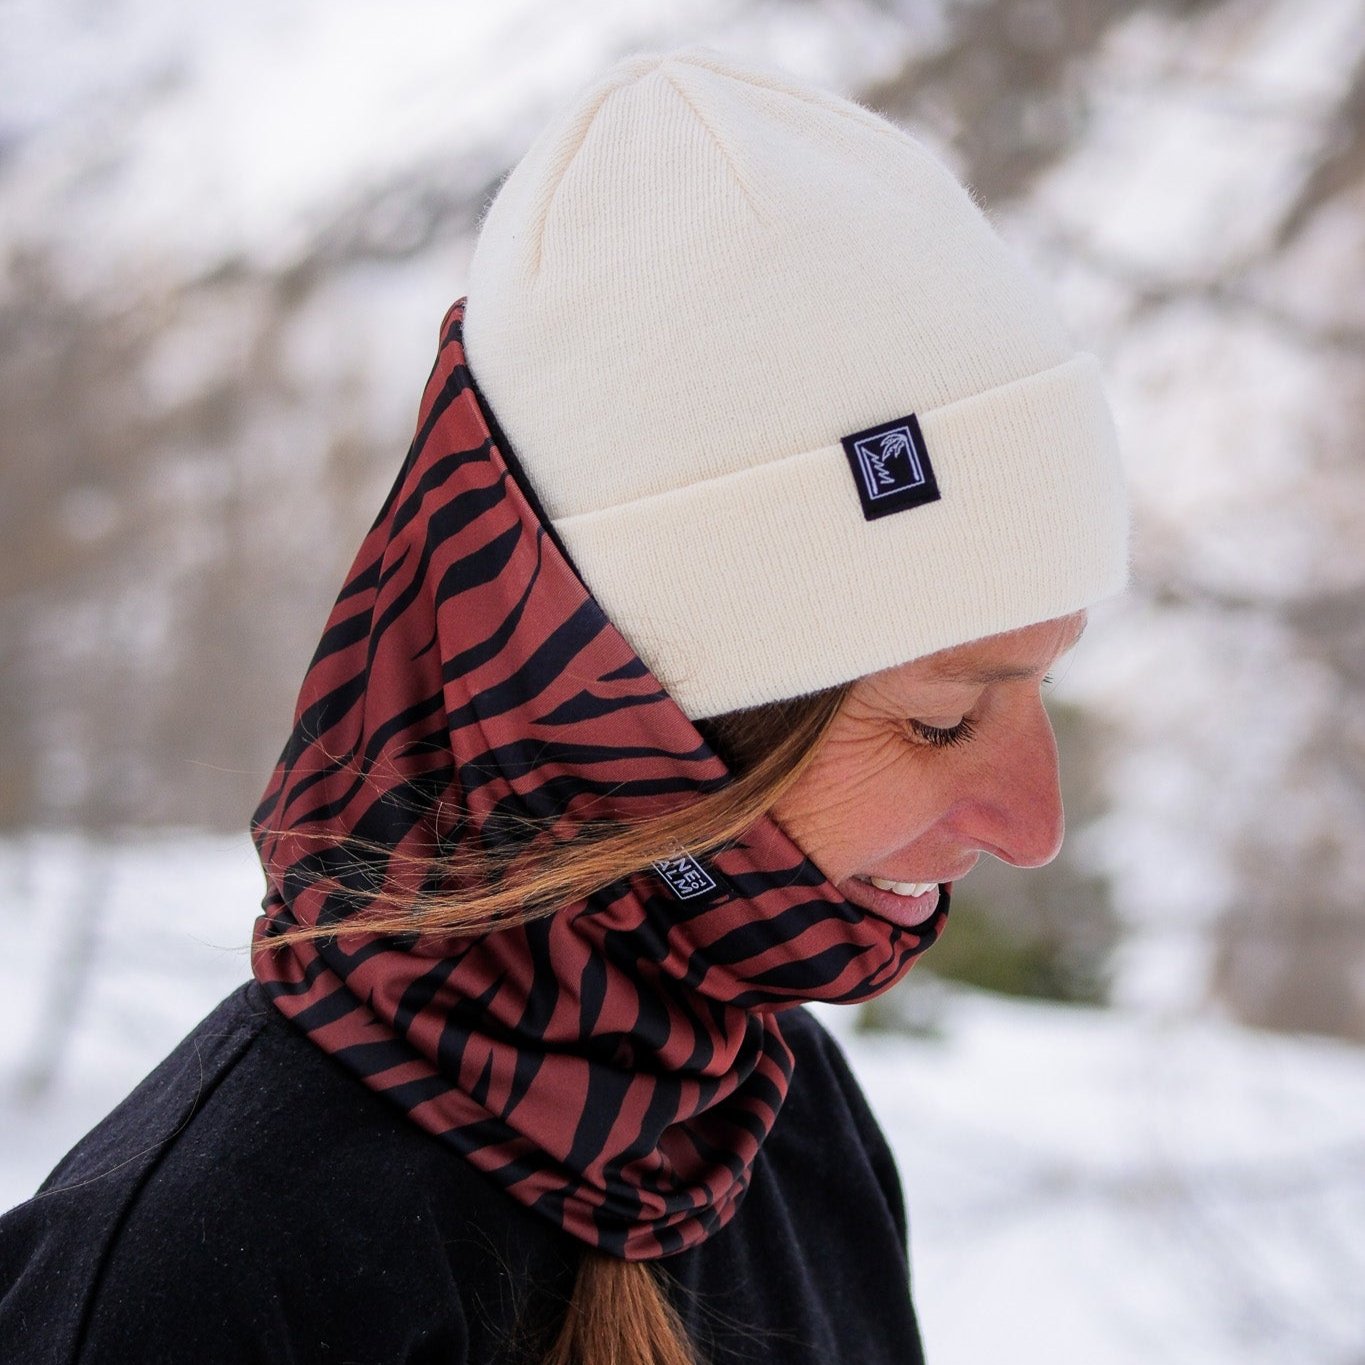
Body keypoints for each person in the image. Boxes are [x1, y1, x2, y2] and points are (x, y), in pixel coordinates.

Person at [0, 45, 1127, 1365]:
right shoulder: (192, 1283)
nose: (1035, 823)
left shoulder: (776, 1121)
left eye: (1040, 684)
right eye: (940, 719)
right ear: (628, 724)